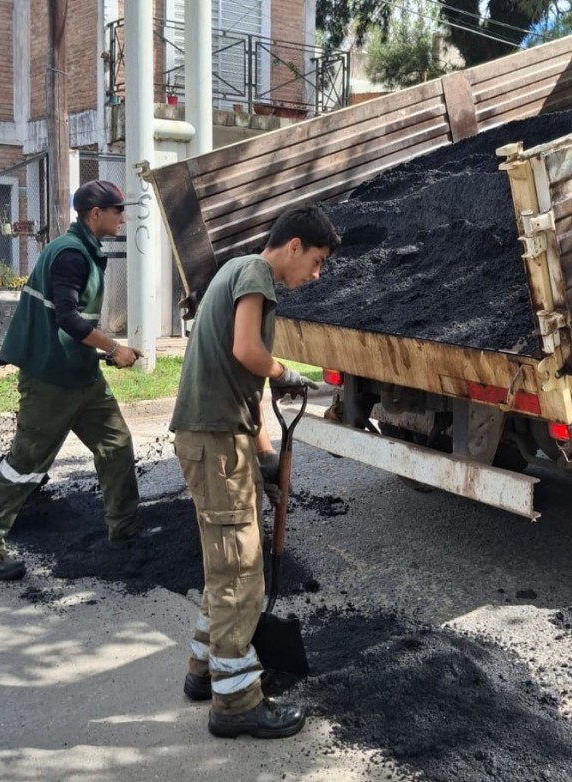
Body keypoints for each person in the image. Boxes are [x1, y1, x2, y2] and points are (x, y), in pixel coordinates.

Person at [170, 204, 340, 739]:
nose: (316, 275)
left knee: (225, 569)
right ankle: (237, 702)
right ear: (292, 246)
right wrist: (288, 371)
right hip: (215, 444)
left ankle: (205, 672)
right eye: (315, 262)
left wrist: (265, 456)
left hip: (221, 438)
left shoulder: (236, 271)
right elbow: (249, 353)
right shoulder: (256, 275)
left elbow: (247, 391)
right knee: (242, 575)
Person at [0, 180, 145, 581]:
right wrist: (114, 348)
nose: (123, 215)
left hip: (80, 374)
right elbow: (66, 317)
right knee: (26, 465)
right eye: (117, 209)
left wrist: (100, 352)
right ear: (94, 214)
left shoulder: (84, 249)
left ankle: (126, 531)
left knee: (116, 444)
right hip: (50, 379)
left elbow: (70, 320)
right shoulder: (69, 254)